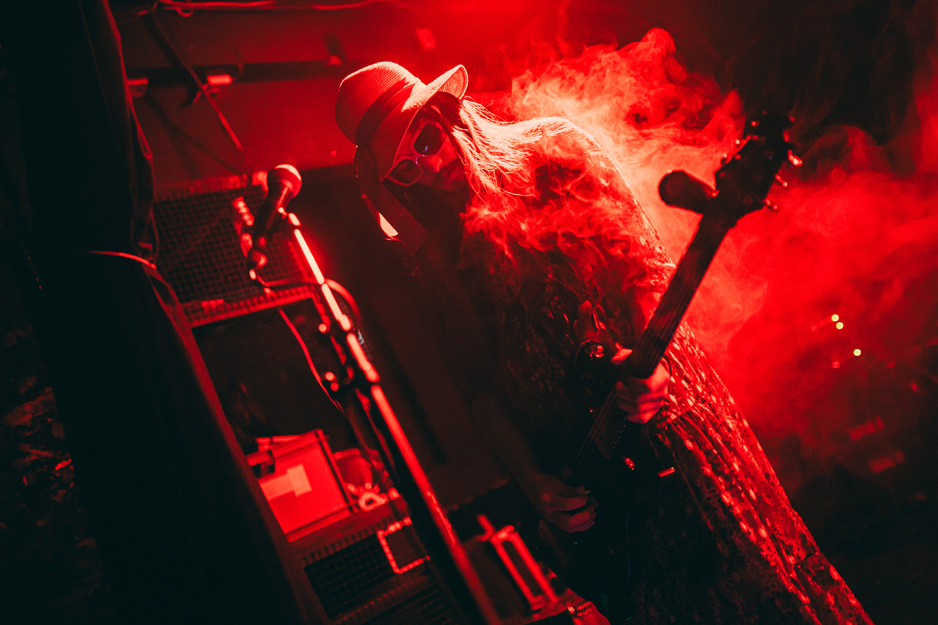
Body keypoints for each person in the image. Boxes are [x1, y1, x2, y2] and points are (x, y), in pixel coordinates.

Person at [335, 61, 873, 625]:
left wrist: (649, 362)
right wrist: (534, 483)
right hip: (587, 482)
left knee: (761, 587)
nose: (427, 167)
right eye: (404, 169)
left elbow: (640, 264)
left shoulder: (554, 150)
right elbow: (479, 391)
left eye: (424, 141)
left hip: (663, 419)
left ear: (448, 113)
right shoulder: (435, 257)